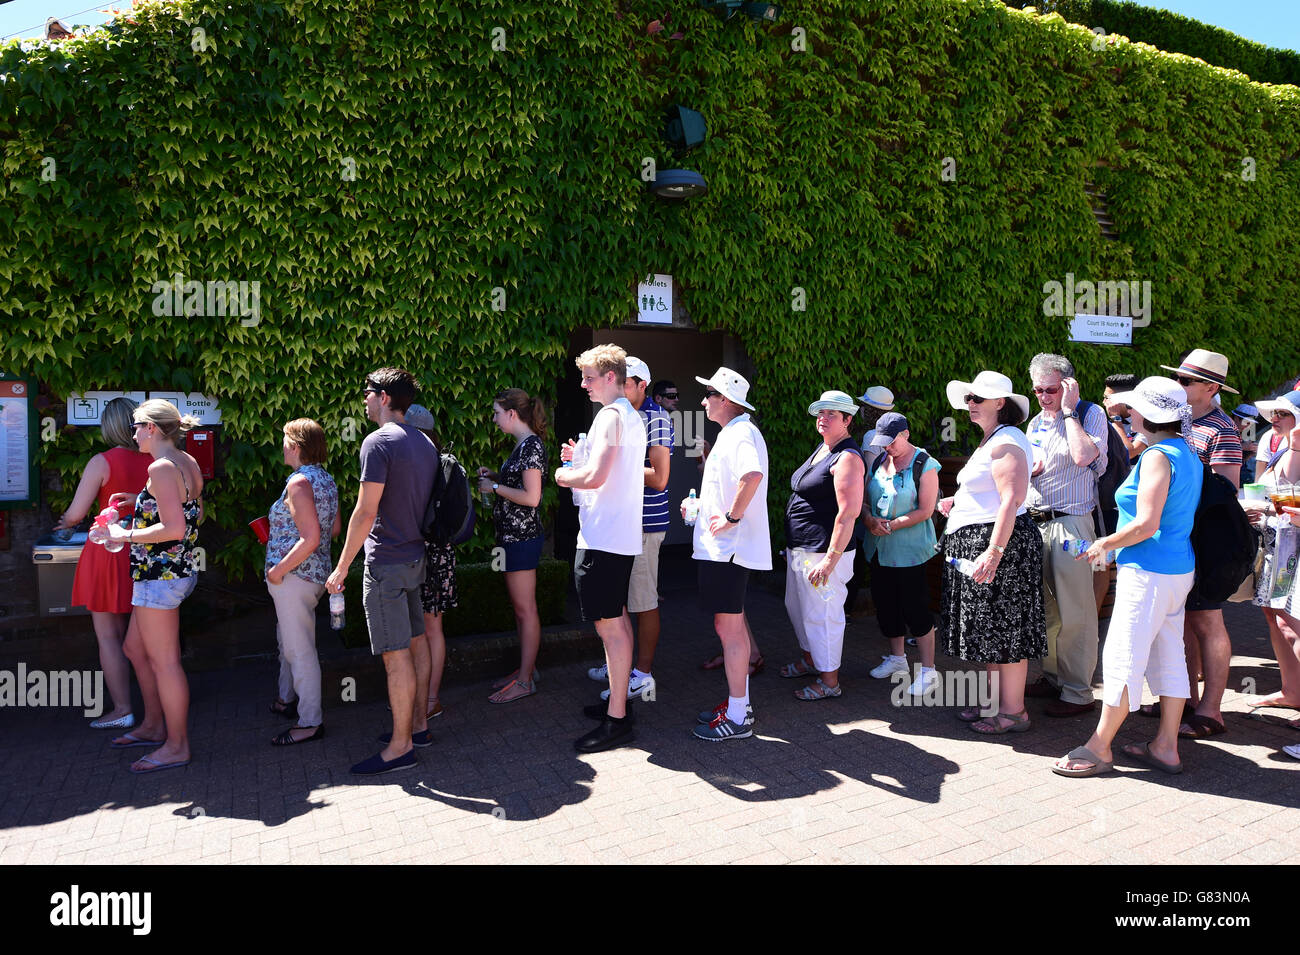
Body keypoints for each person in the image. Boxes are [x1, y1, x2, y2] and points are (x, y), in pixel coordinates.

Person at [1052, 378, 1203, 776]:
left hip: (1149, 571)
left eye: (1133, 408)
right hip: (1176, 570)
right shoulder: (1185, 451)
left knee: (1122, 655)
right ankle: (1166, 746)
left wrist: (1104, 543)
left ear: (1149, 414)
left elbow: (1146, 523)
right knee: (1170, 654)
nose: (1127, 413)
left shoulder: (1157, 456)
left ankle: (1099, 747)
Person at [326, 368, 440, 775]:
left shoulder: (378, 443)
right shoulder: (424, 443)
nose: (364, 399)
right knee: (416, 642)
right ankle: (420, 726)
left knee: (396, 658)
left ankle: (400, 747)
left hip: (387, 564)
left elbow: (365, 510)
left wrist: (341, 567)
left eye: (368, 392)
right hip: (414, 558)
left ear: (385, 397)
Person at [938, 371, 1045, 734]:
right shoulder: (994, 439)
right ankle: (993, 704)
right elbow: (990, 491)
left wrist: (994, 552)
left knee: (1007, 629)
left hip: (1002, 546)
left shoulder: (1007, 440)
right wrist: (958, 500)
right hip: (986, 541)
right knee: (991, 630)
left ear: (1000, 403)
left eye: (977, 398)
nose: (970, 404)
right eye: (968, 399)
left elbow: (1011, 500)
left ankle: (1013, 712)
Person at [103, 400, 204, 774]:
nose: (133, 435)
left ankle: (176, 745)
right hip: (169, 574)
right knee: (133, 647)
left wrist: (123, 533)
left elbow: (175, 528)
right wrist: (140, 502)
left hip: (159, 578)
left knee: (166, 663)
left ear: (153, 428)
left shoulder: (161, 467)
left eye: (136, 427)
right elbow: (192, 512)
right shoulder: (184, 461)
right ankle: (152, 725)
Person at [556, 344, 647, 752]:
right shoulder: (627, 415)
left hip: (603, 538)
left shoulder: (612, 416)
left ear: (611, 376)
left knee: (611, 630)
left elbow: (594, 477)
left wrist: (562, 473)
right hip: (616, 536)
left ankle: (617, 719)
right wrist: (582, 461)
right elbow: (609, 473)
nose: (583, 384)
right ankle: (617, 705)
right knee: (618, 623)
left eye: (589, 377)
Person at [1157, 349, 1242, 740]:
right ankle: (1183, 698)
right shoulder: (1181, 421)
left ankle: (1211, 710)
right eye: (1178, 378)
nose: (1179, 385)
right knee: (1184, 619)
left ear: (1211, 388)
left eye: (1186, 381)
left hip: (1206, 536)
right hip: (1181, 534)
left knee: (1207, 619)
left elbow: (1227, 487)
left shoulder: (1222, 428)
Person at [55, 397, 152, 730]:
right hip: (148, 551)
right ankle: (157, 706)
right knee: (148, 635)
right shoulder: (158, 459)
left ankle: (123, 708)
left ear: (108, 426)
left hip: (109, 552)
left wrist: (64, 522)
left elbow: (77, 513)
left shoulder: (102, 461)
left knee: (109, 636)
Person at [1022, 353, 1107, 717]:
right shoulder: (1036, 422)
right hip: (1037, 521)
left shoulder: (1090, 415)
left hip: (1072, 524)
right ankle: (1054, 676)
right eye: (1038, 389)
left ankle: (1078, 692)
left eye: (1052, 389)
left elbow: (1084, 456)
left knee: (1077, 609)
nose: (1044, 397)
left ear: (1069, 386)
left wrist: (1070, 411)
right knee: (1047, 609)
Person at [690, 367, 771, 740]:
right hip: (725, 550)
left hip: (729, 551)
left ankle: (739, 716)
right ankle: (738, 706)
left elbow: (750, 476)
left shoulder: (740, 433)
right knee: (728, 627)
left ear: (725, 399)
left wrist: (731, 518)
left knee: (730, 629)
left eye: (708, 394)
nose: (703, 400)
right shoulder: (736, 432)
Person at [588, 357, 672, 701]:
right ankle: (618, 667)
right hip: (620, 524)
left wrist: (614, 466)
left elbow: (660, 478)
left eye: (630, 382)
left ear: (643, 385)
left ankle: (643, 674)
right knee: (617, 600)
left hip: (645, 525)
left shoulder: (657, 417)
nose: (622, 387)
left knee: (643, 601)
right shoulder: (619, 414)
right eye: (620, 380)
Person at [780, 391, 864, 699]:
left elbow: (848, 512)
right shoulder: (824, 448)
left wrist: (830, 560)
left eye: (832, 414)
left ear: (847, 420)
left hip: (823, 552)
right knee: (799, 608)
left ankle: (830, 682)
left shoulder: (849, 457)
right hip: (802, 548)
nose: (823, 418)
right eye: (821, 413)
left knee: (823, 615)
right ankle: (812, 660)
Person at [265, 418, 340, 745]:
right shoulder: (326, 479)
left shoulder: (298, 483)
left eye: (284, 441)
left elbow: (310, 538)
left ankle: (310, 721)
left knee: (299, 649)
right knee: (289, 641)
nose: (281, 446)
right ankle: (286, 699)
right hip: (314, 575)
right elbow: (332, 530)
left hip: (294, 577)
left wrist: (278, 569)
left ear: (295, 446)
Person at [862, 411, 942, 696]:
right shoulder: (881, 460)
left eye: (891, 441)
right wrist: (870, 520)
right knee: (886, 605)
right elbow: (865, 502)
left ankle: (929, 671)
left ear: (906, 434)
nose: (887, 447)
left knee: (916, 608)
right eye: (883, 442)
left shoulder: (924, 464)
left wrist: (892, 525)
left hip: (910, 552)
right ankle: (897, 660)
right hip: (880, 549)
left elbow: (926, 510)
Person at [478, 389, 547, 704]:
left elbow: (532, 498)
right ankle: (525, 671)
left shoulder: (530, 446)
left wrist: (494, 486)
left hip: (521, 539)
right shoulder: (523, 445)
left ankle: (526, 680)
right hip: (511, 538)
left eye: (496, 412)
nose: (493, 419)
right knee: (521, 611)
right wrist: (495, 476)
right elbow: (520, 486)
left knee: (525, 610)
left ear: (511, 413)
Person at [1240, 411, 1300, 717]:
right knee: (1275, 618)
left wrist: (1266, 507)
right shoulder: (1277, 444)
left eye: (1283, 413)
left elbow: (1290, 499)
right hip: (1277, 545)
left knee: (1292, 626)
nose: (1273, 417)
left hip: (1292, 549)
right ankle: (1291, 692)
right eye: (1273, 413)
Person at [403, 404, 458, 716]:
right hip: (441, 552)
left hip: (419, 552)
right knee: (433, 629)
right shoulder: (441, 461)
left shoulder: (412, 462)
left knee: (419, 631)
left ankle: (423, 701)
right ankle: (430, 699)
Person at [1231, 403, 1260, 485]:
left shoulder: (1242, 433)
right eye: (1247, 422)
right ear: (1236, 418)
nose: (1248, 426)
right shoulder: (1226, 429)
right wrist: (1243, 447)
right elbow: (1221, 449)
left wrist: (1250, 453)